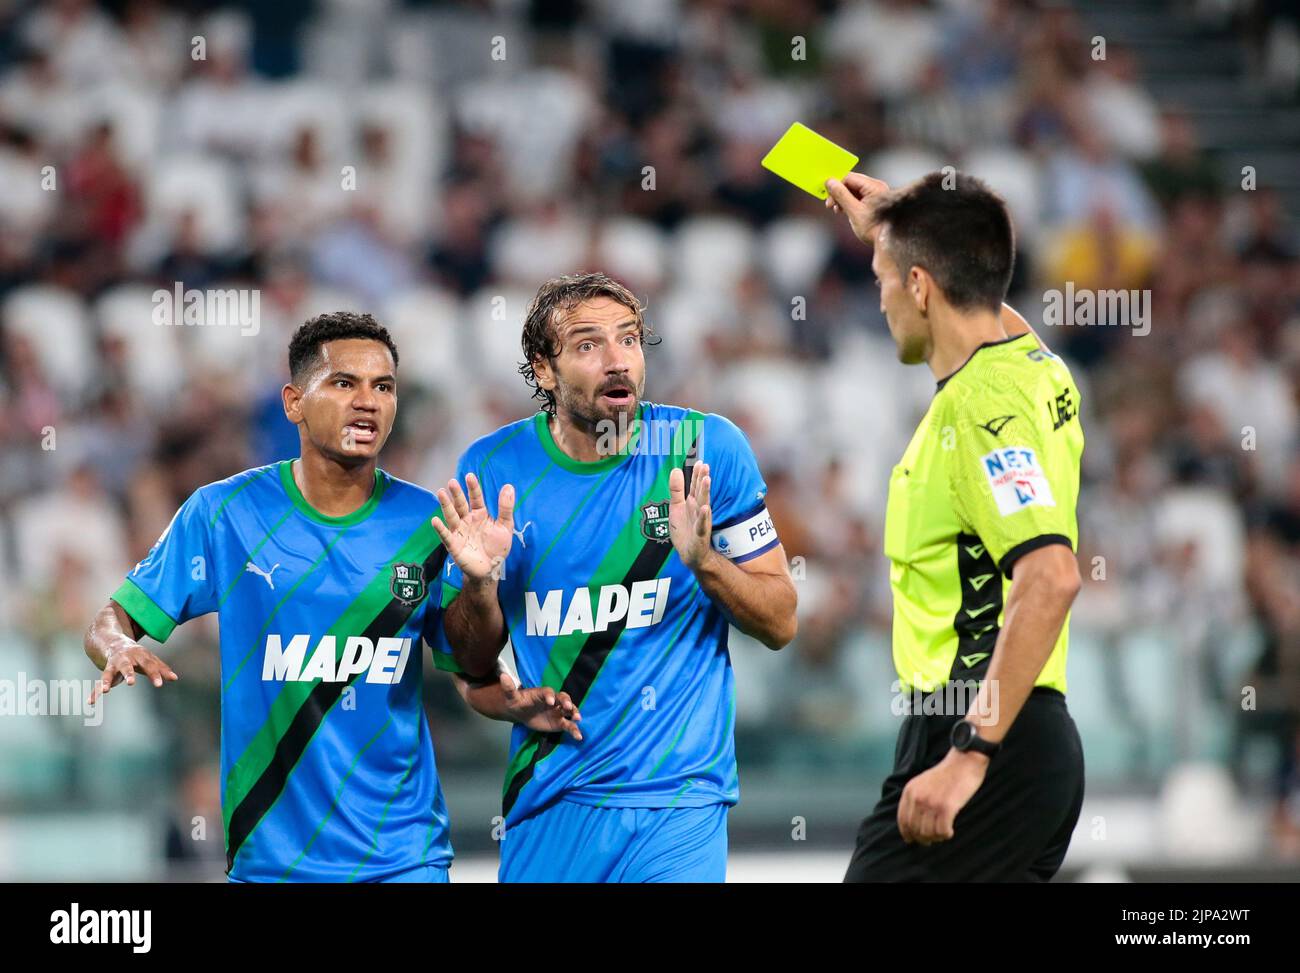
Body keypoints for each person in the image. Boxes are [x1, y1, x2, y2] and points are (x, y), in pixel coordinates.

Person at [84, 311, 573, 882]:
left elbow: (472, 661)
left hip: (405, 856)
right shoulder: (225, 514)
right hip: (273, 862)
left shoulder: (431, 523)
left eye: (383, 387)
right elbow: (111, 617)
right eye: (345, 383)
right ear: (294, 402)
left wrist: (481, 583)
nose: (368, 401)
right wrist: (117, 646)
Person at [430, 272, 798, 882]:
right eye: (587, 345)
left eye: (629, 340)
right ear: (542, 368)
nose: (617, 361)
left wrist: (706, 563)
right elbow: (470, 664)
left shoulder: (703, 451)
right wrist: (478, 584)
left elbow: (781, 620)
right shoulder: (492, 469)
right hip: (551, 799)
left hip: (678, 801)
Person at [825, 171, 1086, 881]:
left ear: (918, 286)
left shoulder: (977, 414)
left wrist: (968, 755)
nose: (879, 300)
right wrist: (895, 225)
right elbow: (988, 305)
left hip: (977, 730)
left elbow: (1052, 576)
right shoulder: (1037, 370)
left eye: (883, 278)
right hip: (1032, 740)